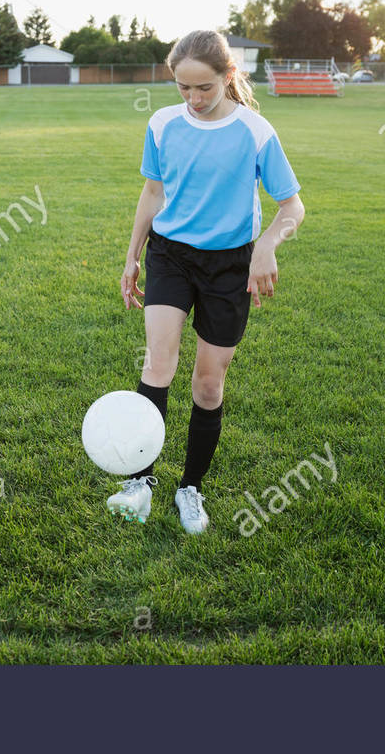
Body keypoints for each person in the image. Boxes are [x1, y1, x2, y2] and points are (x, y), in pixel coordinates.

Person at [111, 30, 305, 533]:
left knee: (208, 384)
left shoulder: (255, 131)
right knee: (159, 363)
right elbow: (152, 194)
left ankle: (189, 488)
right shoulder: (162, 124)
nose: (194, 100)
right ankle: (140, 484)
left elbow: (292, 207)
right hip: (171, 256)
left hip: (229, 265)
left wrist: (266, 247)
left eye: (204, 88)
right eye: (183, 88)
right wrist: (132, 258)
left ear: (228, 77)